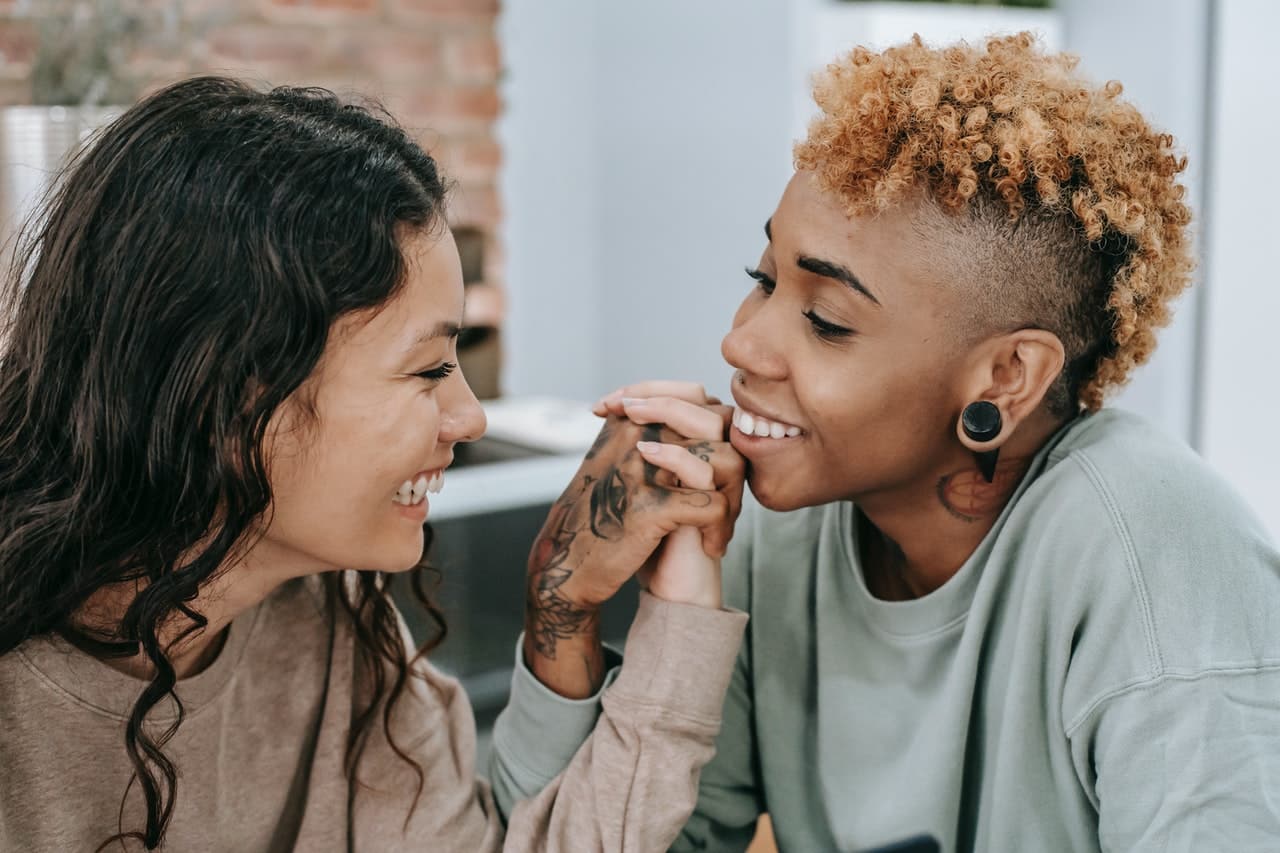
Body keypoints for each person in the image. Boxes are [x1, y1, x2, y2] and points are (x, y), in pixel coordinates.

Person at [492, 33, 1280, 851]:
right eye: (763, 278)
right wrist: (564, 606)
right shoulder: (777, 532)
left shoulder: (1160, 552)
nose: (742, 345)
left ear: (1007, 375)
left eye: (827, 321)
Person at [0, 76, 750, 852]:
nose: (470, 418)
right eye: (427, 371)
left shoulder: (341, 624)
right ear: (227, 400)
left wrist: (642, 612)